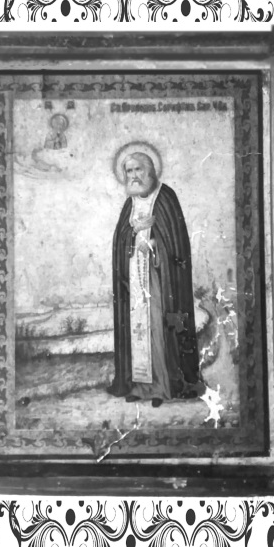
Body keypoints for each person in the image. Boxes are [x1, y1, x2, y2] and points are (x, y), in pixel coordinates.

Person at [107, 151, 199, 407]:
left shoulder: (165, 197)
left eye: (138, 169)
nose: (134, 176)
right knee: (136, 331)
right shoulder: (130, 203)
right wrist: (132, 235)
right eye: (129, 171)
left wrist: (156, 245)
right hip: (134, 279)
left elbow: (175, 240)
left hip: (159, 279)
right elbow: (122, 238)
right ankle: (138, 387)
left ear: (150, 170)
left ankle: (162, 387)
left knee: (158, 328)